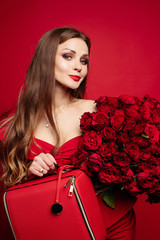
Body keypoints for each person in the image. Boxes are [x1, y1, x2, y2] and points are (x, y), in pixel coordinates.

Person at [0, 27, 136, 239]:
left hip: (113, 222)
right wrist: (29, 172)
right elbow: (9, 186)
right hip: (60, 226)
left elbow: (128, 164)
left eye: (84, 61)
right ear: (45, 60)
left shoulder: (98, 111)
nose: (79, 67)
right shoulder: (14, 123)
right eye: (68, 56)